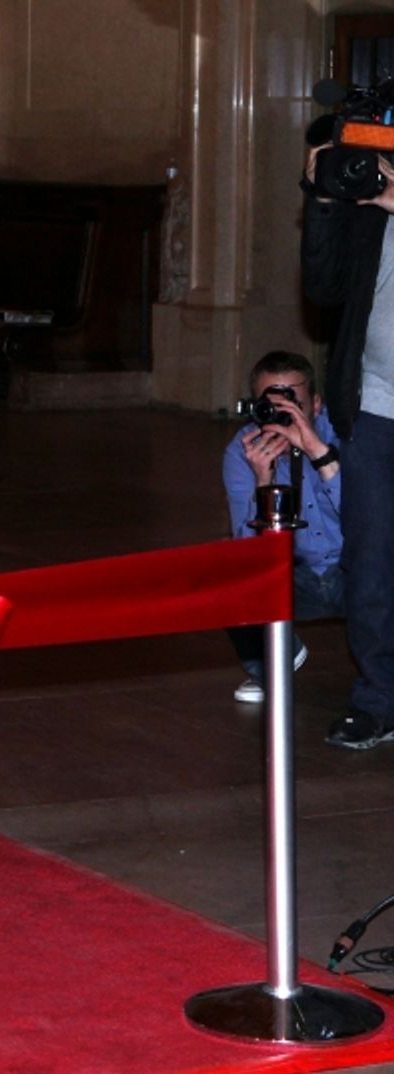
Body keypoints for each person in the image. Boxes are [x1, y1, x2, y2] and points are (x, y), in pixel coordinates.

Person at [301, 145, 394, 749]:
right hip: (377, 408)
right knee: (373, 565)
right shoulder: (370, 200)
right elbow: (324, 287)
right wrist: (327, 201)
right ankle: (381, 698)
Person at [222, 351, 343, 704]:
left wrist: (320, 454)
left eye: (294, 405)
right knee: (230, 575)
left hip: (358, 569)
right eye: (272, 406)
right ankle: (271, 666)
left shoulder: (345, 435)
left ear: (317, 404)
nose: (283, 416)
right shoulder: (243, 450)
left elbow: (369, 523)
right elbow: (248, 551)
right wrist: (265, 480)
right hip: (297, 574)